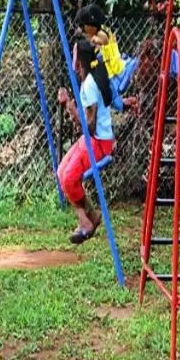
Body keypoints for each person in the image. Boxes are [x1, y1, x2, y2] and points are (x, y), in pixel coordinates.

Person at [56, 29, 138, 244]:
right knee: (61, 172)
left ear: (79, 61)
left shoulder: (90, 86)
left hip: (99, 143)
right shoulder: (88, 80)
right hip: (92, 140)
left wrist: (70, 107)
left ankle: (87, 221)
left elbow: (89, 127)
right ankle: (90, 217)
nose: (71, 58)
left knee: (69, 178)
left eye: (73, 54)